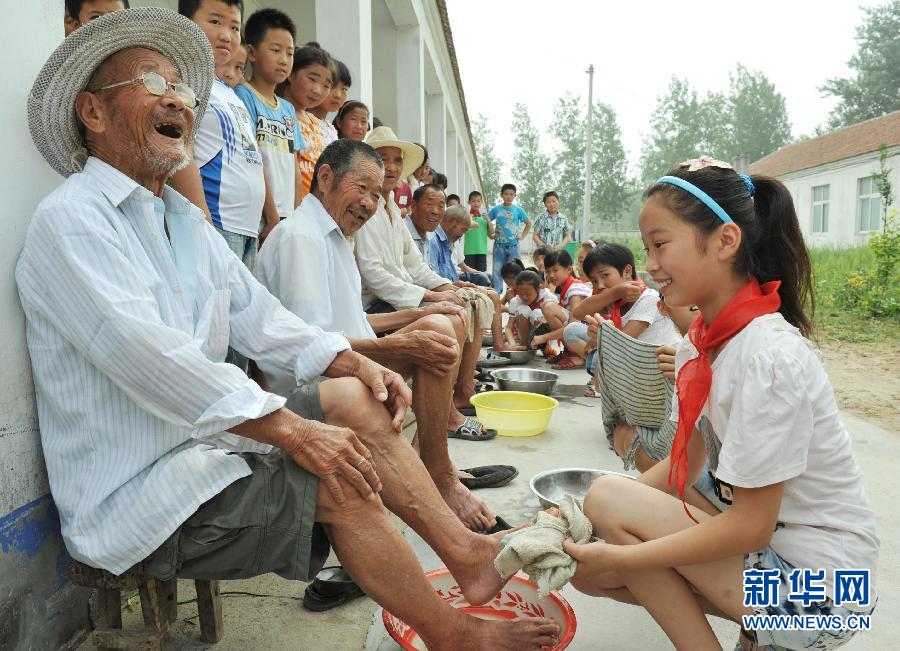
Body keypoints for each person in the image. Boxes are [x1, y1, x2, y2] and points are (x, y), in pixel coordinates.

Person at [21, 12, 559, 650]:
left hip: (203, 449)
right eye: (148, 81)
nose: (175, 98)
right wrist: (297, 431)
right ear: (93, 112)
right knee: (342, 479)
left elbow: (263, 316)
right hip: (139, 494)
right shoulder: (72, 222)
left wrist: (350, 360)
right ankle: (454, 635)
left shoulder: (182, 221)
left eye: (180, 87)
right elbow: (157, 364)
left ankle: (467, 556)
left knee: (356, 398)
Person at [563, 157, 878, 651]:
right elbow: (681, 470)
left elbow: (750, 526)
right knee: (590, 554)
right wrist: (574, 520)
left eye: (661, 244)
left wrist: (623, 552)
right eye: (647, 248)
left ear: (726, 241)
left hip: (830, 595)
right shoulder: (702, 344)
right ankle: (757, 635)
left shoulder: (768, 357)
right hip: (777, 557)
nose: (650, 265)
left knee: (609, 507)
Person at [254, 140, 500, 531]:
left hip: (340, 363)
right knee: (435, 336)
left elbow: (354, 325)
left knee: (440, 325)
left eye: (375, 193)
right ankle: (439, 474)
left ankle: (435, 464)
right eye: (361, 189)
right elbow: (314, 349)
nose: (369, 203)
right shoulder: (302, 237)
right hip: (307, 389)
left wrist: (421, 310)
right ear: (325, 178)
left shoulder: (333, 236)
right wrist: (402, 342)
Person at [355, 127, 496, 439]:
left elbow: (415, 266)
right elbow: (374, 275)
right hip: (377, 304)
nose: (391, 167)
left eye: (396, 160)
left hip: (399, 295)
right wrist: (428, 298)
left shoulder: (391, 207)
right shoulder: (367, 207)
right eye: (382, 159)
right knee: (451, 318)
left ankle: (461, 390)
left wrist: (447, 287)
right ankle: (445, 413)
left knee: (468, 301)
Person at [171, 0, 264, 271]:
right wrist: (203, 221)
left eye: (235, 27)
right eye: (215, 22)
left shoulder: (227, 90)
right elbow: (181, 151)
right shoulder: (186, 81)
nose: (227, 35)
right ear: (187, 22)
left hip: (246, 228)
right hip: (217, 226)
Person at [234, 9, 300, 239]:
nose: (284, 59)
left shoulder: (288, 109)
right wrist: (271, 217)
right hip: (260, 216)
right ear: (251, 52)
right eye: (275, 50)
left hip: (287, 216)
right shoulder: (242, 96)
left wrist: (297, 214)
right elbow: (252, 160)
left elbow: (294, 164)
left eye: (289, 53)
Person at [427, 206, 506, 351]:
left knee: (492, 294)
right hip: (442, 291)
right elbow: (433, 279)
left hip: (450, 286)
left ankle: (496, 347)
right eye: (463, 230)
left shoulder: (447, 242)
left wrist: (462, 284)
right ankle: (472, 358)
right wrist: (458, 286)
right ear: (452, 222)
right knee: (482, 301)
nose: (462, 235)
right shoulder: (433, 240)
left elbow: (450, 275)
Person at [281, 44, 333, 205]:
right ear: (291, 74)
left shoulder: (314, 122)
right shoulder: (279, 112)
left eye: (326, 85)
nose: (318, 91)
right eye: (312, 79)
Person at [532, 250, 591, 368]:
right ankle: (570, 352)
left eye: (555, 270)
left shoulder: (575, 290)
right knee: (546, 306)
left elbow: (573, 327)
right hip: (586, 332)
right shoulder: (567, 288)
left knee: (549, 307)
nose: (551, 275)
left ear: (569, 269)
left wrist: (543, 337)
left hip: (590, 335)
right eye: (548, 271)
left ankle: (577, 355)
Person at [488, 183, 532, 293]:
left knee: (515, 272)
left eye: (511, 194)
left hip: (514, 246)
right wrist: (491, 234)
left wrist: (522, 235)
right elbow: (486, 222)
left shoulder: (518, 210)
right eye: (506, 194)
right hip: (499, 246)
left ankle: (514, 295)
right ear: (501, 195)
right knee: (497, 271)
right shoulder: (496, 210)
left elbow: (528, 223)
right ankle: (496, 295)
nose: (509, 196)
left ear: (514, 196)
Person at [507, 270, 558, 350]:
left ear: (538, 288)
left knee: (537, 313)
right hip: (524, 336)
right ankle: (524, 344)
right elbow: (508, 328)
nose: (524, 297)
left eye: (528, 294)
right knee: (523, 309)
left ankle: (545, 347)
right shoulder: (515, 301)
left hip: (544, 337)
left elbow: (558, 324)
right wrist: (512, 343)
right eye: (520, 294)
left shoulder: (549, 297)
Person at [309, 59, 349, 146]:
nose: (338, 95)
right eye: (332, 86)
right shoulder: (302, 121)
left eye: (344, 89)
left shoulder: (330, 128)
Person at [463, 190, 492, 274]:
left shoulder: (484, 218)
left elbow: (491, 234)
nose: (476, 203)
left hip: (482, 251)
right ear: (469, 202)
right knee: (469, 276)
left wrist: (488, 220)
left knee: (482, 276)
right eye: (473, 201)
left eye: (478, 201)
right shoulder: (466, 217)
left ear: (481, 202)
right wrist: (469, 218)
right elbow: (464, 229)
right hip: (468, 252)